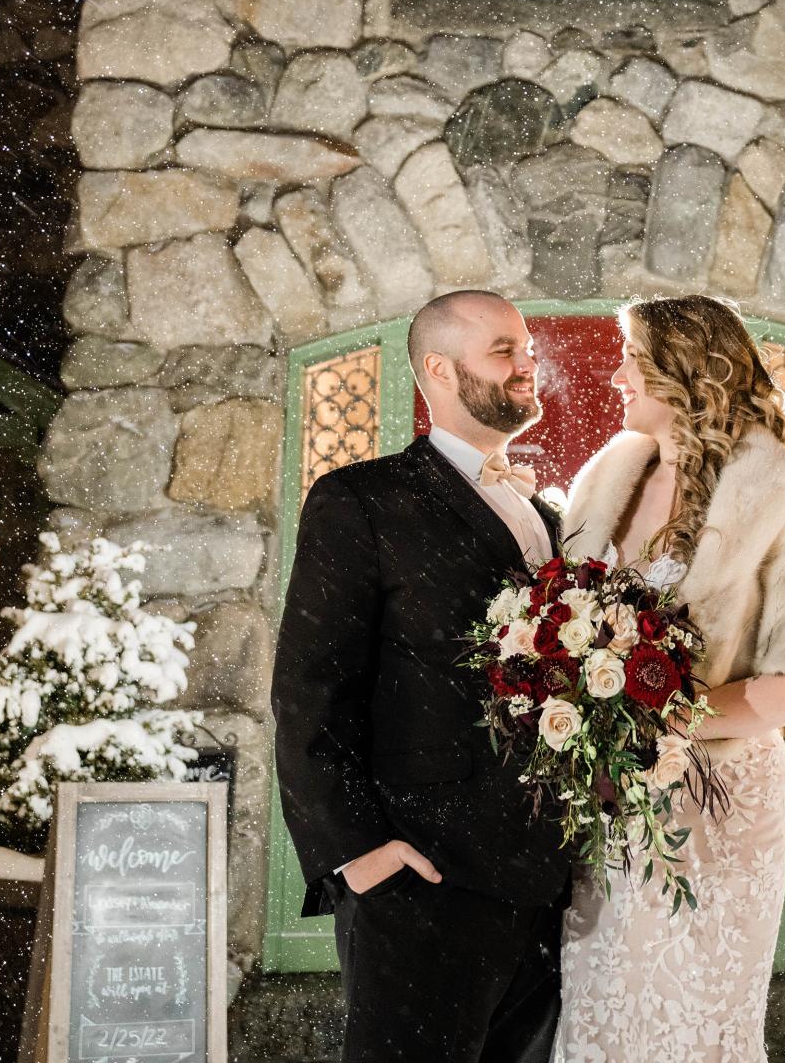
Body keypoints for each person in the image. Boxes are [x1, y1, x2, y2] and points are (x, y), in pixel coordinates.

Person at [552, 294, 785, 1063]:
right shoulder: (607, 476)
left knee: (691, 1014)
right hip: (609, 801)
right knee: (599, 1002)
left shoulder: (778, 490)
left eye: (633, 357)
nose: (616, 374)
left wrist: (651, 725)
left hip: (720, 804)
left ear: (684, 369)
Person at [272, 290, 571, 1063]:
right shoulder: (362, 501)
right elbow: (310, 688)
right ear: (438, 370)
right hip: (421, 876)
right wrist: (358, 852)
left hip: (543, 886)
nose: (526, 365)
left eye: (527, 350)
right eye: (503, 350)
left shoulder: (547, 516)